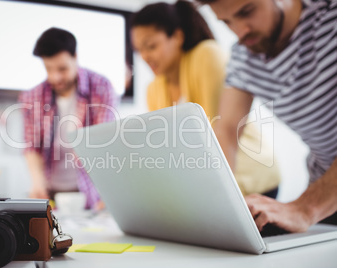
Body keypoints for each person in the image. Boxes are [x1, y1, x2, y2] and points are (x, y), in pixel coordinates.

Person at [195, 0, 337, 232]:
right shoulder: (243, 57)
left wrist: (305, 208)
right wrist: (214, 204)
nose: (240, 31)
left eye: (247, 11)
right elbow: (227, 130)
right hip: (325, 195)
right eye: (227, 22)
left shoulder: (330, 19)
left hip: (318, 201)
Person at [131, 0, 281, 197]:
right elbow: (167, 150)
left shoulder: (206, 55)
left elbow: (216, 137)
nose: (145, 56)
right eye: (139, 50)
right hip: (207, 187)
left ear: (177, 36)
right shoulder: (153, 89)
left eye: (151, 46)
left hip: (249, 181)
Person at [19, 27, 118, 209]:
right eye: (49, 69)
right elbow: (31, 146)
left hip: (91, 192)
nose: (55, 77)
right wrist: (38, 184)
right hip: (50, 192)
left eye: (62, 69)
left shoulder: (102, 87)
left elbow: (103, 144)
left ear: (76, 57)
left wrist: (109, 191)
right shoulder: (32, 97)